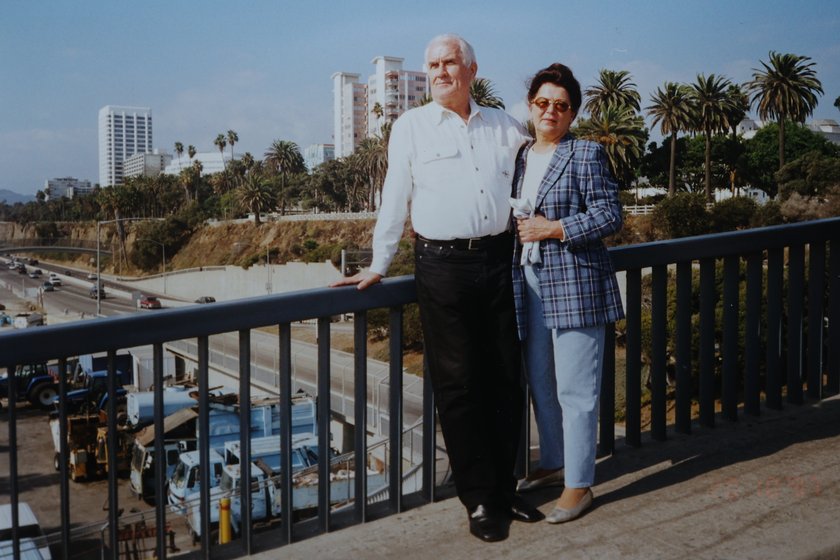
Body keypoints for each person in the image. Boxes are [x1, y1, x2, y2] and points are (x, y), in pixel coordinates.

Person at [332, 34, 542, 541]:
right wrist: (379, 263)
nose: (440, 72)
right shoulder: (411, 127)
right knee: (459, 383)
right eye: (433, 65)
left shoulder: (505, 125)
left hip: (500, 261)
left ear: (471, 69)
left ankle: (505, 488)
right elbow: (395, 196)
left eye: (449, 62)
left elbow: (536, 173)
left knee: (505, 377)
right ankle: (479, 500)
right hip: (443, 267)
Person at [511, 63, 624, 523]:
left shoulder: (586, 154)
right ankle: (555, 462)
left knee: (576, 388)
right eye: (543, 102)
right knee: (541, 380)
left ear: (572, 113)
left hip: (576, 283)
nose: (550, 111)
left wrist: (555, 228)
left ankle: (579, 483)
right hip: (529, 281)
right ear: (530, 106)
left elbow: (610, 214)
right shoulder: (521, 157)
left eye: (561, 105)